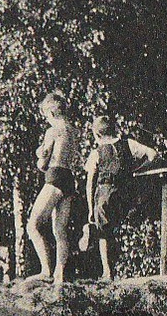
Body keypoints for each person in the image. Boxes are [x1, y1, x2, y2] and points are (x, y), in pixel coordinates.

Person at [79, 113, 160, 281]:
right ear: (115, 130)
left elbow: (89, 184)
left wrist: (89, 209)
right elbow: (153, 154)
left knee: (103, 232)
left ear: (97, 135)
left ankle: (107, 272)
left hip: (105, 193)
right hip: (127, 192)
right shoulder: (128, 144)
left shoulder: (96, 153)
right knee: (120, 227)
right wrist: (138, 170)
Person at [26, 91, 81, 287]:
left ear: (50, 111)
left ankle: (46, 271)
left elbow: (43, 162)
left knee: (33, 225)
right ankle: (60, 274)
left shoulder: (53, 131)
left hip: (55, 176)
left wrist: (39, 154)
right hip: (68, 179)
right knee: (60, 230)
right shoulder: (73, 131)